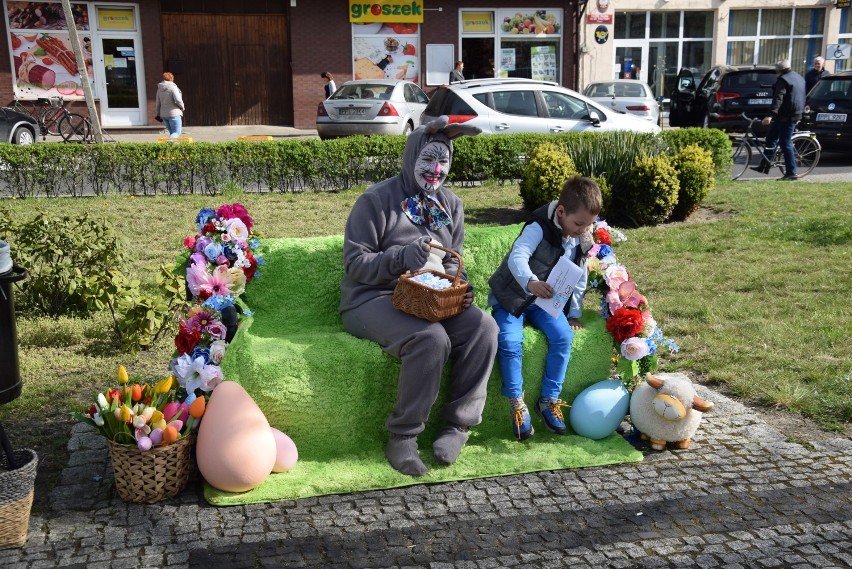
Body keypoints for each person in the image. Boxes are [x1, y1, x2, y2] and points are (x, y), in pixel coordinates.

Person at [339, 115, 498, 477]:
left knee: (483, 328)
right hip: (371, 298)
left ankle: (457, 427)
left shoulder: (451, 205)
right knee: (430, 338)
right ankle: (403, 437)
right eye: (428, 159)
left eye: (443, 161)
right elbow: (355, 264)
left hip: (431, 297)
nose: (435, 169)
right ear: (412, 158)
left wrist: (462, 287)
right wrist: (399, 258)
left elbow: (453, 260)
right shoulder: (376, 201)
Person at [487, 176, 601, 440]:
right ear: (561, 212)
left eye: (588, 225)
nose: (582, 230)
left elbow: (579, 273)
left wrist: (573, 312)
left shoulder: (580, 235)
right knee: (509, 340)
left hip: (544, 302)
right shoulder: (538, 226)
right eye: (578, 223)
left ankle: (549, 399)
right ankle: (517, 401)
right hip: (513, 297)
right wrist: (531, 281)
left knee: (563, 336)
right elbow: (518, 255)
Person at [756, 59, 806, 180]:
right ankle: (765, 165)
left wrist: (770, 115)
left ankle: (791, 173)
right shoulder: (798, 77)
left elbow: (778, 98)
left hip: (788, 116)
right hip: (792, 113)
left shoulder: (783, 80)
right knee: (771, 138)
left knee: (785, 143)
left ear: (779, 70)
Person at [155, 72, 185, 138]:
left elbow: (158, 103)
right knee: (176, 132)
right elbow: (178, 100)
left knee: (172, 132)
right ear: (171, 78)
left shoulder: (159, 89)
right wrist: (182, 107)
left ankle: (171, 147)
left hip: (164, 115)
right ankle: (169, 143)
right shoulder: (173, 87)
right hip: (174, 113)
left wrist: (157, 114)